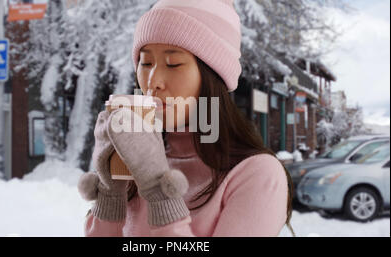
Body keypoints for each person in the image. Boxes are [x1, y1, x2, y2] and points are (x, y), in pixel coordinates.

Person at [78, 0, 295, 237]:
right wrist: (110, 193)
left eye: (173, 64)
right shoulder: (134, 162)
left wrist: (159, 192)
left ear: (211, 75)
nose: (153, 82)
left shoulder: (256, 174)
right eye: (146, 62)